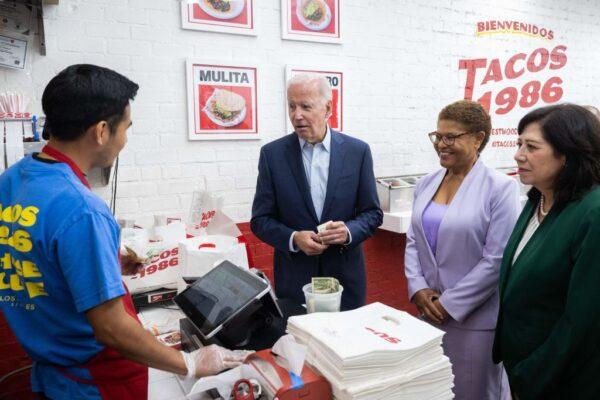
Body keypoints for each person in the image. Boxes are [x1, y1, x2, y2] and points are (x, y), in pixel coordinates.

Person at [0, 64, 248, 400]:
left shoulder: (12, 182)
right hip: (94, 382)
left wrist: (107, 265)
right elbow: (111, 328)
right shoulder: (82, 208)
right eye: (126, 129)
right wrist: (189, 362)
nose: (125, 140)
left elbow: (35, 261)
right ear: (102, 131)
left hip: (53, 374)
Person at [404, 100, 520, 399]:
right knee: (434, 391)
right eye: (437, 136)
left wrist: (450, 304)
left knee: (474, 393)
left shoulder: (500, 188)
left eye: (451, 137)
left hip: (474, 321)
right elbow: (414, 241)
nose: (441, 144)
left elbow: (496, 259)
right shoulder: (426, 184)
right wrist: (418, 289)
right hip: (428, 311)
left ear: (478, 138)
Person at [493, 104, 600, 399]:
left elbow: (582, 321)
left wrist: (532, 374)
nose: (518, 154)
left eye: (531, 146)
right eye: (518, 143)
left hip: (561, 377)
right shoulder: (538, 198)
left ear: (567, 154)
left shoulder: (592, 212)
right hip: (523, 365)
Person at [251, 73, 382, 310]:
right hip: (294, 281)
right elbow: (260, 220)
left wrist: (349, 231)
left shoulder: (358, 152)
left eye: (305, 106)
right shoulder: (272, 155)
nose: (296, 115)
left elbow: (372, 213)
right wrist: (293, 239)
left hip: (345, 280)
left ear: (328, 108)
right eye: (292, 106)